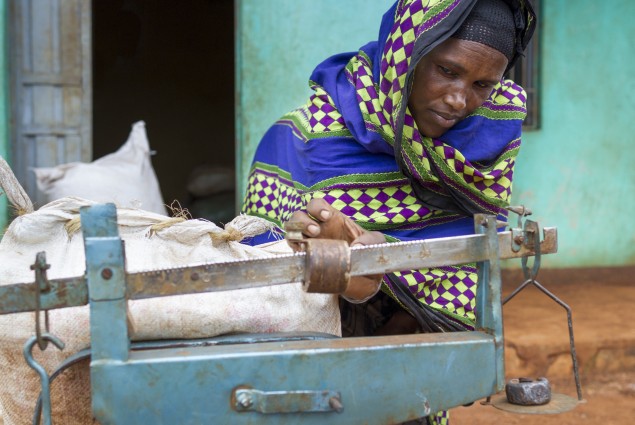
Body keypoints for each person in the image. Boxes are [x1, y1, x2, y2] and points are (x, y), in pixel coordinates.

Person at [242, 1, 536, 423]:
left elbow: (469, 263)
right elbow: (251, 262)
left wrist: (386, 263)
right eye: (447, 71)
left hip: (409, 380)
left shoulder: (483, 143)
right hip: (308, 381)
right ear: (407, 56)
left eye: (483, 84)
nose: (459, 101)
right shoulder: (305, 140)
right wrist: (308, 245)